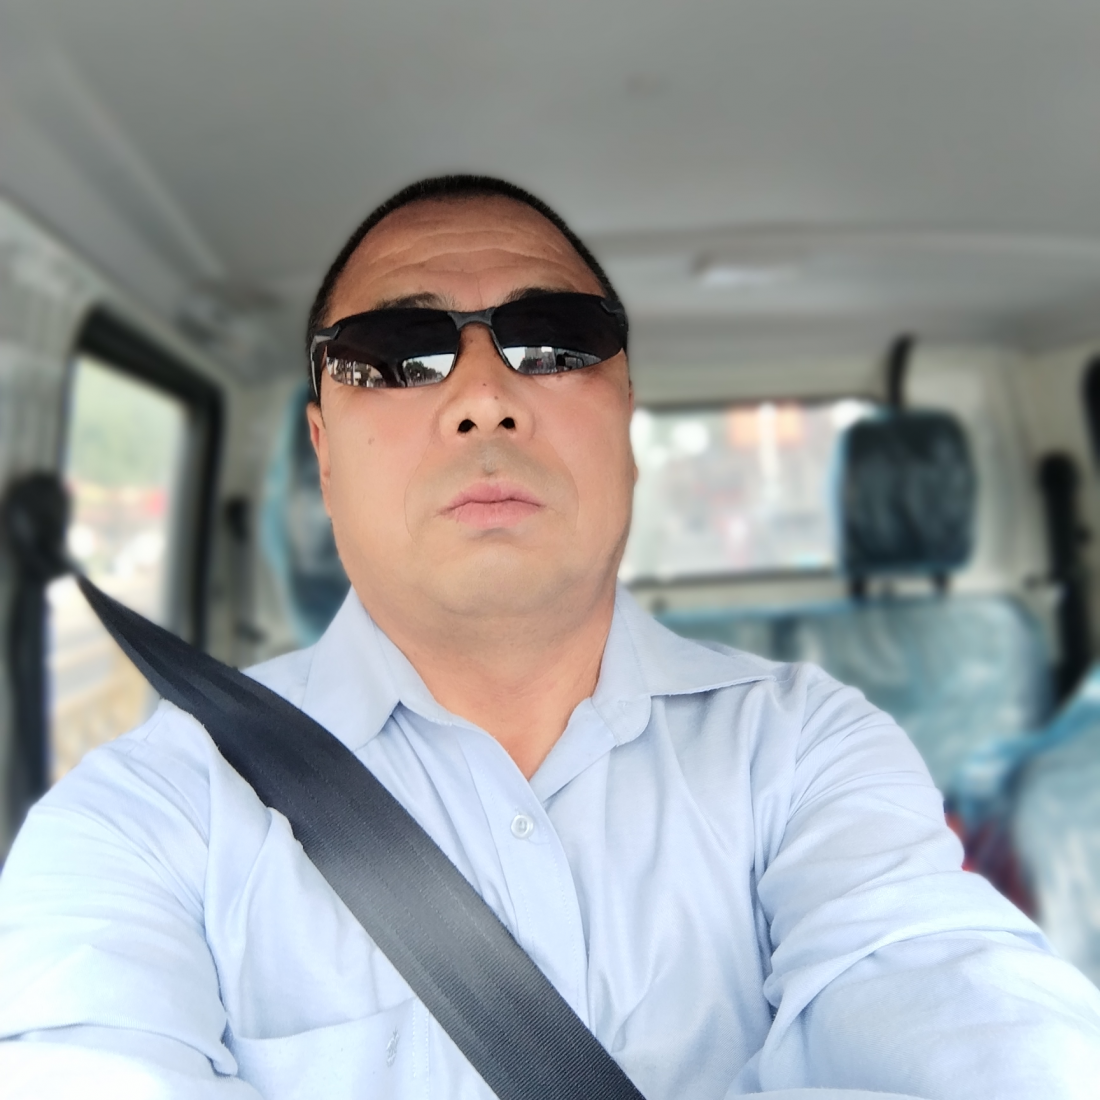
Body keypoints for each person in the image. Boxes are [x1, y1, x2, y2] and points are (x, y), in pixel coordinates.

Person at [2, 175, 1099, 1100]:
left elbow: (947, 994)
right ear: (323, 451)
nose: (484, 396)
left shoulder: (807, 743)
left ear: (624, 418)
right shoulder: (149, 813)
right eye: (395, 353)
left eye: (555, 341)